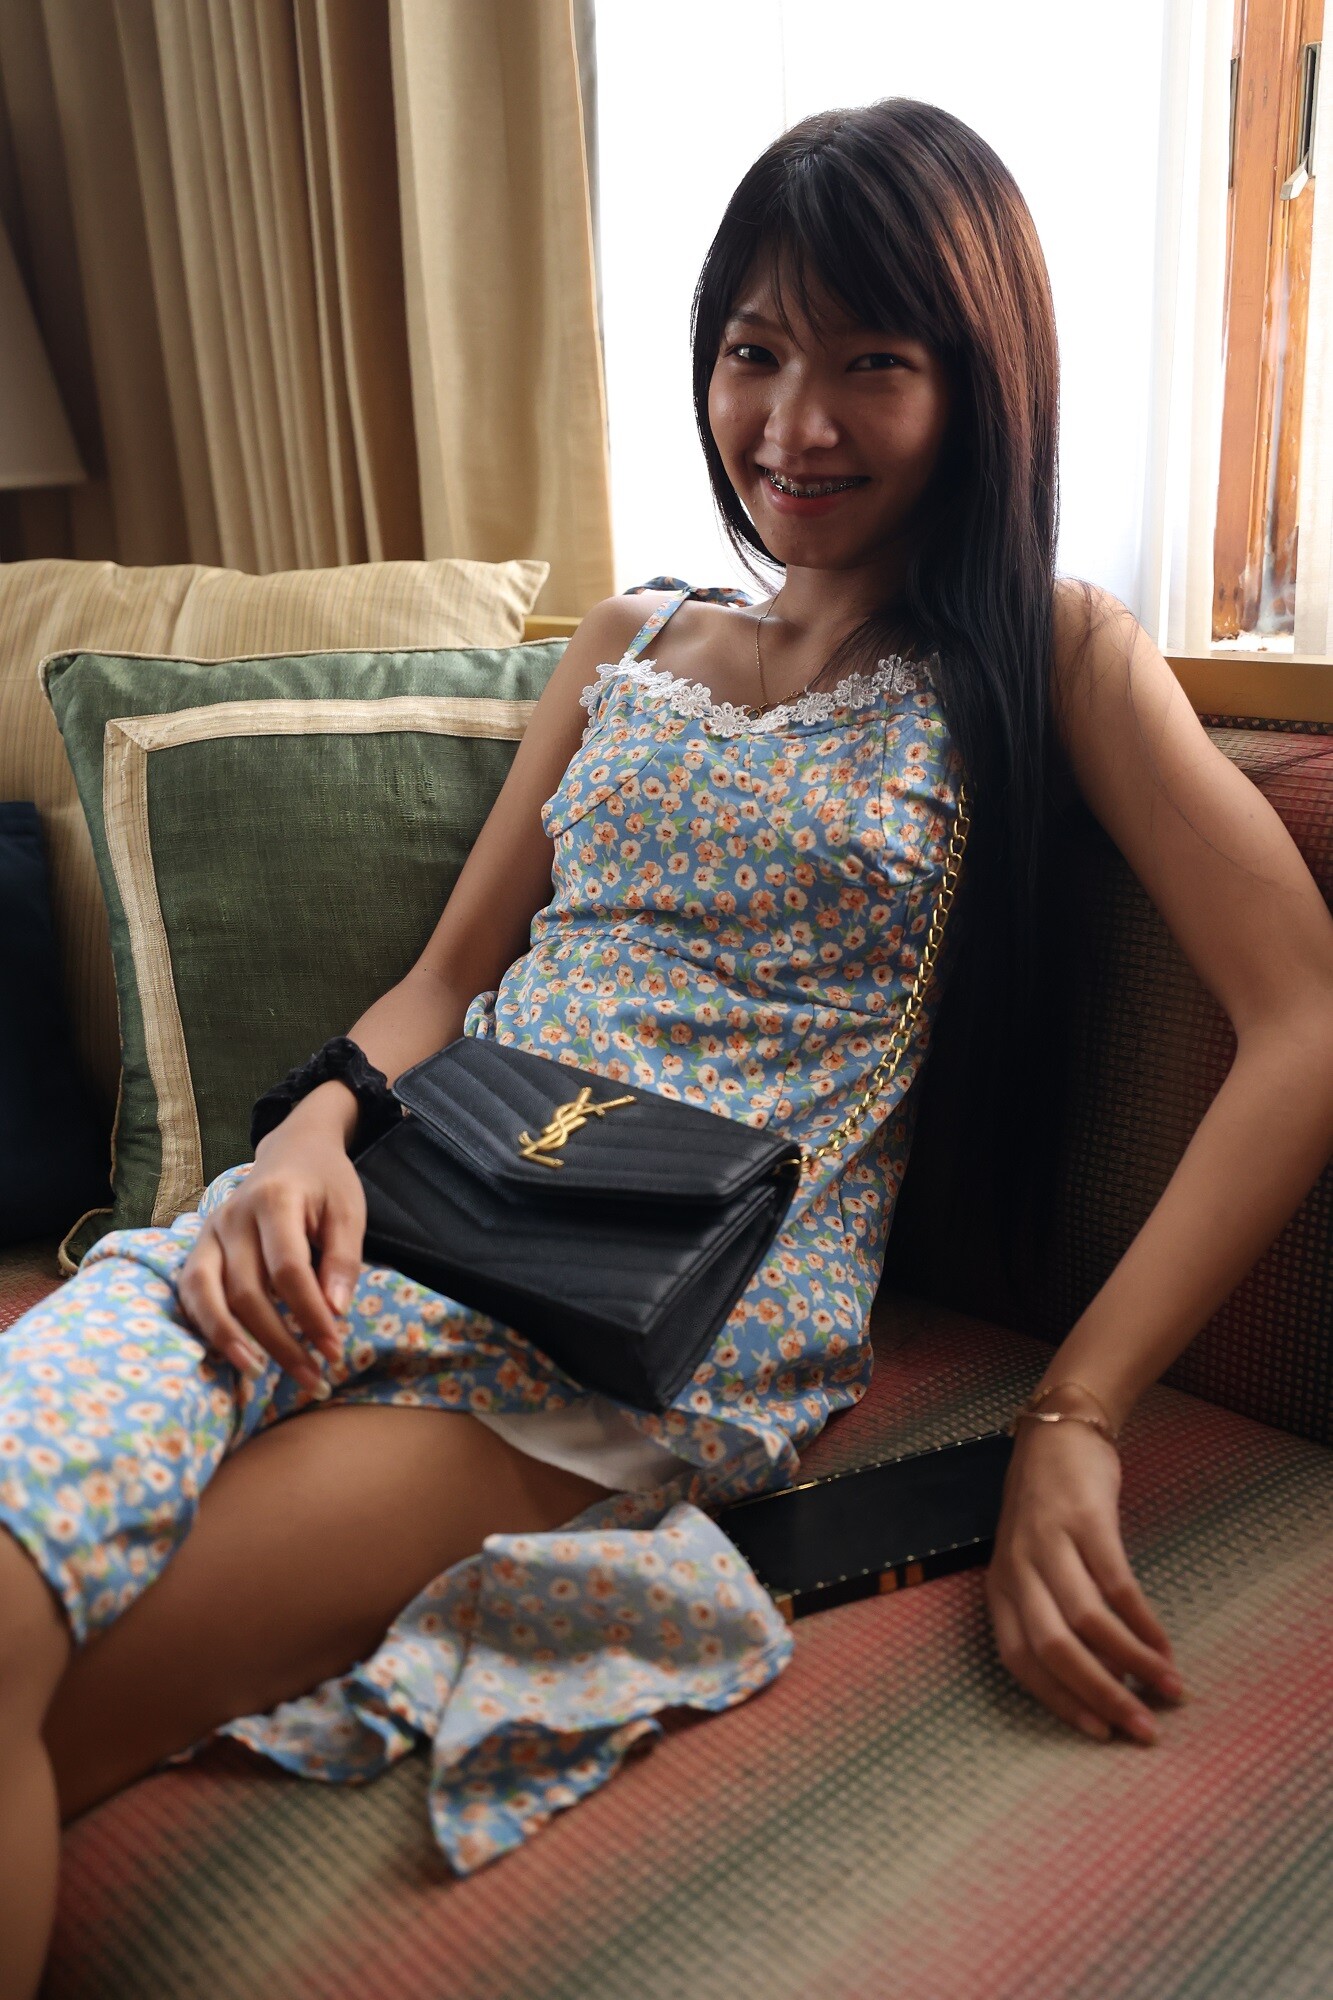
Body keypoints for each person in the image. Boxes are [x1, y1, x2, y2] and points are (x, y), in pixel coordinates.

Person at [4, 94, 1333, 1995]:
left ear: (977, 385)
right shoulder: (624, 640)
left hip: (621, 1336)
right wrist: (298, 1138)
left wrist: (1075, 1414)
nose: (791, 423)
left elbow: (1303, 1021)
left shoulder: (1041, 657)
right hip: (378, 1209)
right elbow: (445, 982)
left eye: (870, 363)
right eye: (753, 352)